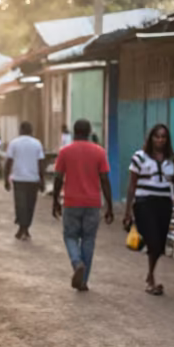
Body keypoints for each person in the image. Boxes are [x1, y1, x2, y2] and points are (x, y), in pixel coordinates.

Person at [123, 123, 174, 295]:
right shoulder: (139, 157)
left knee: (159, 245)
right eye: (156, 136)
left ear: (167, 140)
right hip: (144, 203)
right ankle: (150, 279)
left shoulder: (172, 160)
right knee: (153, 240)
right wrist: (127, 210)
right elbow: (132, 185)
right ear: (151, 138)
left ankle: (150, 275)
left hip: (164, 204)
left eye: (163, 137)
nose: (160, 140)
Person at [52, 119, 114, 290]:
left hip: (71, 202)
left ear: (74, 131)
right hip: (93, 203)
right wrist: (109, 205)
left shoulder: (65, 152)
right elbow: (105, 179)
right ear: (89, 132)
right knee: (88, 240)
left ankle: (76, 262)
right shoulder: (99, 152)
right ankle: (84, 280)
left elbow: (58, 177)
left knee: (70, 236)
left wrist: (55, 200)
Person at [3, 122, 46, 240]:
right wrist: (43, 181)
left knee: (20, 205)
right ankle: (25, 228)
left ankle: (23, 228)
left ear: (20, 130)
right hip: (33, 179)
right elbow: (40, 163)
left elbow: (8, 162)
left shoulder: (14, 143)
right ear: (31, 131)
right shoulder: (37, 143)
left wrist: (6, 179)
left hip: (19, 179)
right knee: (30, 205)